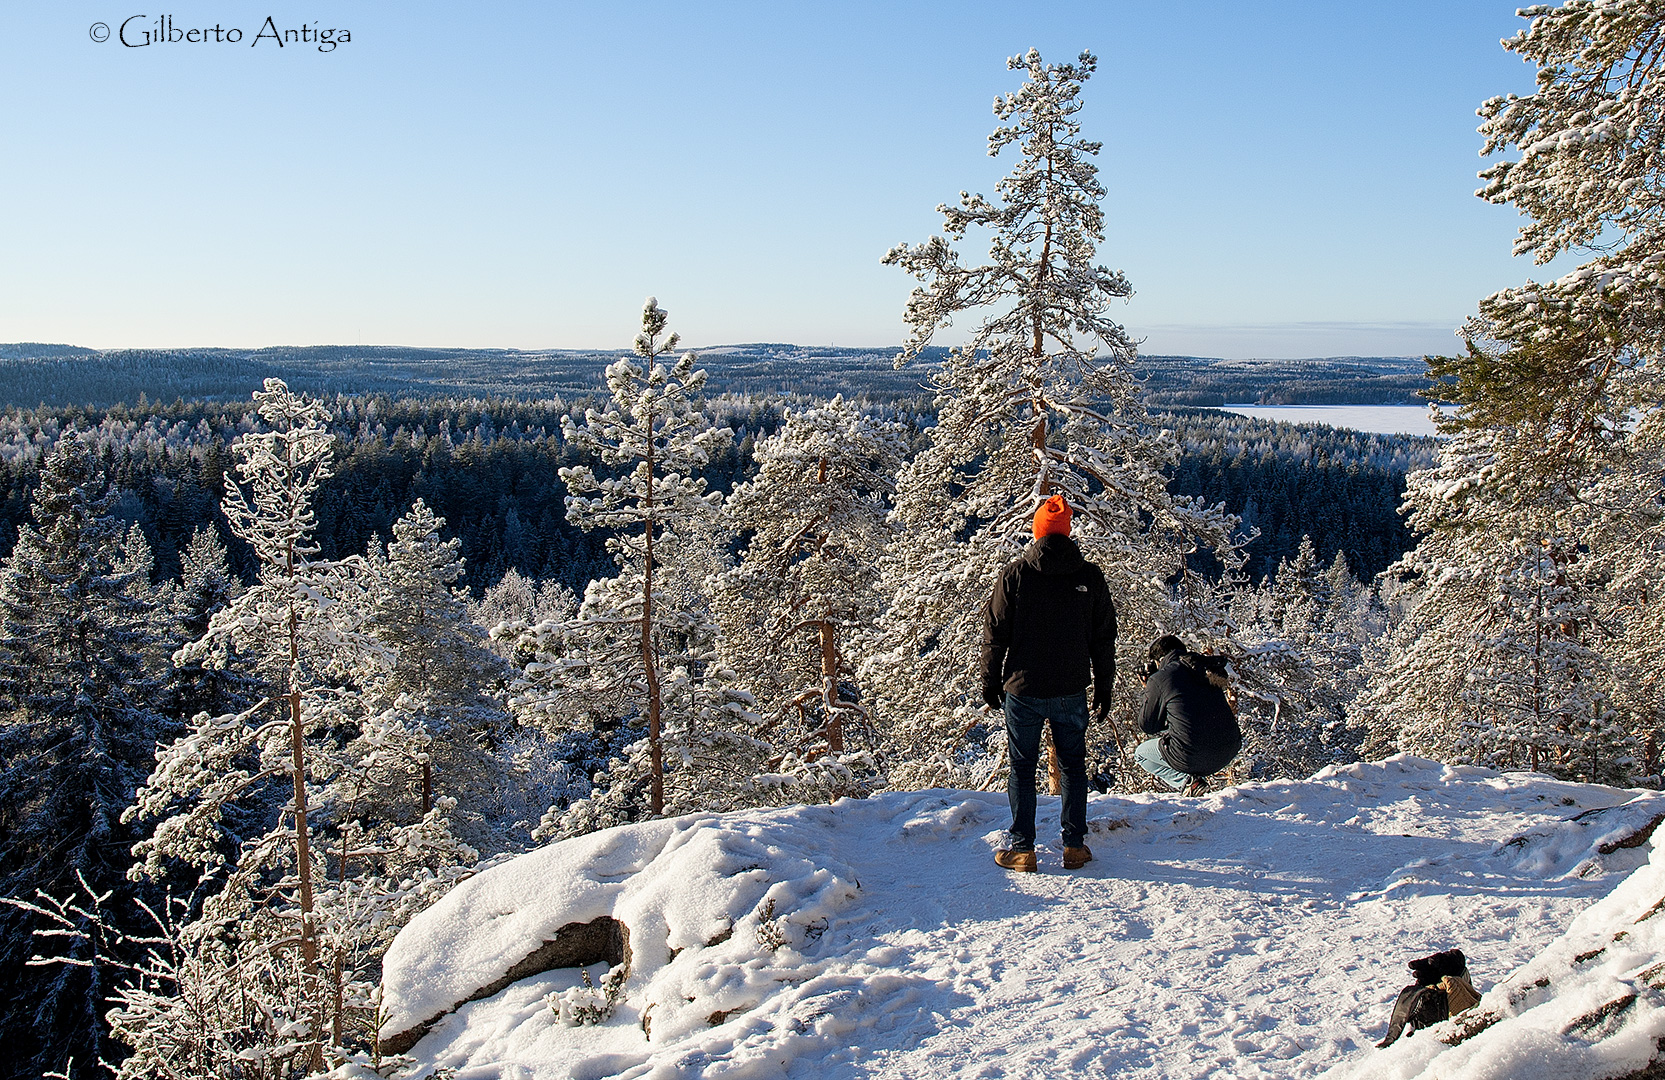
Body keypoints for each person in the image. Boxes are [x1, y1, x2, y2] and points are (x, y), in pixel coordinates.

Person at [980, 494, 1117, 873]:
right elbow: (1104, 638)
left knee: (1022, 767)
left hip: (1022, 689)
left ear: (1037, 532)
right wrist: (1104, 687)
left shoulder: (1015, 575)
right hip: (1070, 688)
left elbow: (995, 635)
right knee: (1073, 765)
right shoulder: (1089, 577)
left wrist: (990, 681)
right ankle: (1074, 846)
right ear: (1067, 532)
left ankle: (1022, 848)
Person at [1135, 635, 1241, 795]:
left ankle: (1189, 783)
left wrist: (1150, 689)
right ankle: (1193, 781)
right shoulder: (1205, 668)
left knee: (1141, 754)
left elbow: (1148, 726)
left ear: (1159, 660)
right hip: (1230, 748)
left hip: (1192, 754)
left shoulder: (1161, 678)